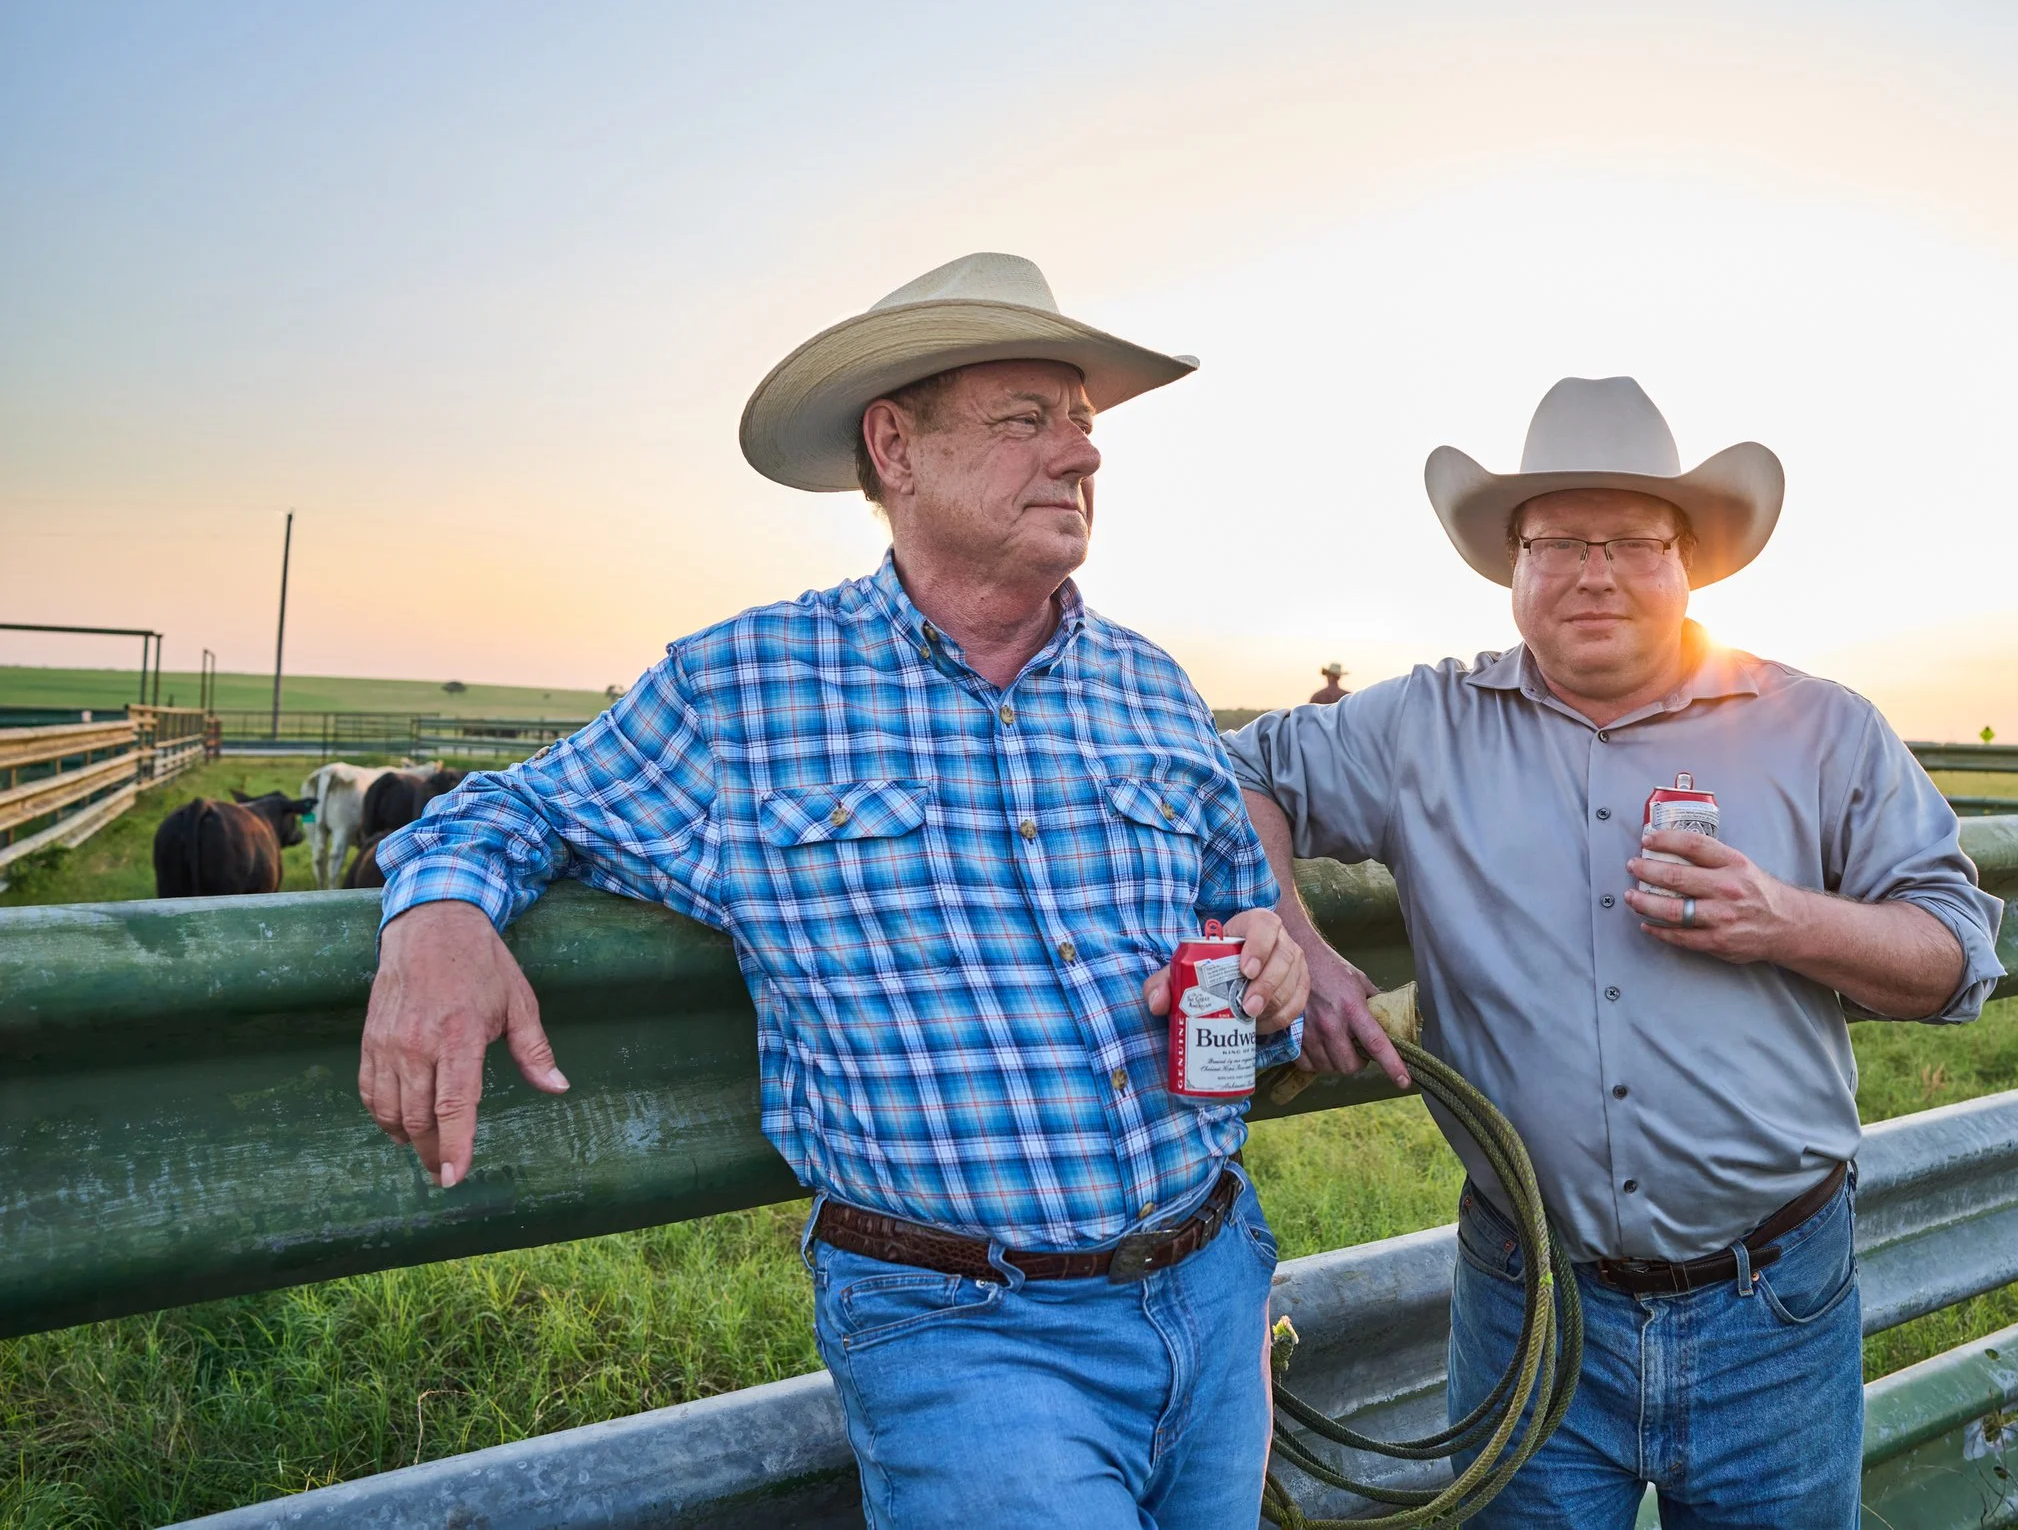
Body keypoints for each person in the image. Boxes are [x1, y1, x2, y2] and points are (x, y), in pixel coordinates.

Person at [358, 253, 1310, 1529]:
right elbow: (506, 808)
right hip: (964, 1324)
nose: (1081, 455)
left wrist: (1272, 965)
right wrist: (439, 914)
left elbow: (1248, 938)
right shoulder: (744, 687)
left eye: (1081, 421)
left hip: (1214, 1274)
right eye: (1027, 418)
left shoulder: (1151, 683)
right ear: (893, 445)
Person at [1224, 376, 2004, 1528]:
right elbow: (1239, 775)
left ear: (1690, 559)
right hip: (1528, 1301)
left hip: (1770, 1301)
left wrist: (1779, 917)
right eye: (1557, 540)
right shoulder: (1421, 723)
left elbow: (1956, 954)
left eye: (1634, 539)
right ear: (1512, 563)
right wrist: (1301, 937)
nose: (1594, 570)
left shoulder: (1817, 723)